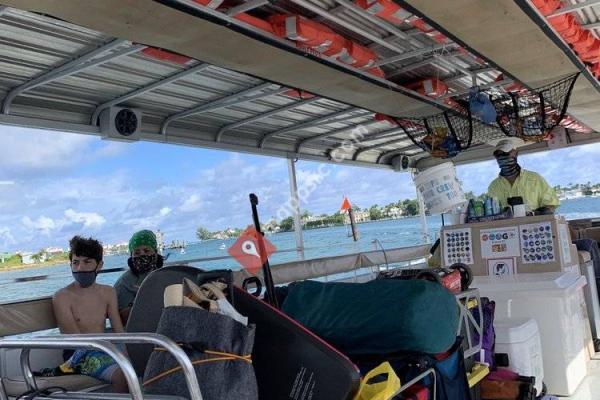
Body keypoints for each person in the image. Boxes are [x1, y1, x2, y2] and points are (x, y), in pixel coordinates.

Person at [51, 235, 128, 392]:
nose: (80, 268)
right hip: (76, 355)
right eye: (75, 262)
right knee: (123, 374)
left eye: (87, 262)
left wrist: (125, 354)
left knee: (139, 365)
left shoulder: (108, 292)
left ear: (99, 265)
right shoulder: (61, 297)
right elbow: (74, 340)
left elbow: (119, 332)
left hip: (102, 349)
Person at [488, 138, 559, 215]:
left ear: (516, 153)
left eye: (506, 153)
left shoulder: (535, 178)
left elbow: (551, 205)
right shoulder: (493, 187)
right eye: (499, 155)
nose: (503, 157)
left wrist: (534, 214)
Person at [114, 230, 163, 324]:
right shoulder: (124, 283)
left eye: (147, 251)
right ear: (131, 257)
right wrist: (143, 298)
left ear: (155, 253)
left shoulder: (164, 274)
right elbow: (122, 319)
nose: (142, 255)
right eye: (137, 252)